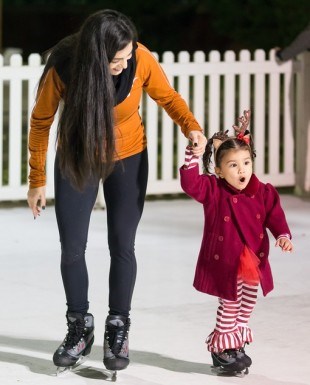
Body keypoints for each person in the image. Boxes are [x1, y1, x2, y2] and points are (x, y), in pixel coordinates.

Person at [27, 9, 207, 373]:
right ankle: (79, 326)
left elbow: (168, 98)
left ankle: (118, 327)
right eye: (116, 59)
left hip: (128, 158)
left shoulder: (139, 59)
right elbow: (41, 121)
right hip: (77, 158)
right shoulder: (65, 68)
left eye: (128, 56)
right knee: (72, 247)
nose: (124, 64)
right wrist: (37, 178)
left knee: (122, 245)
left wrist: (192, 128)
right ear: (96, 54)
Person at [180, 110, 293, 374]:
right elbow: (191, 184)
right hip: (226, 260)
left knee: (248, 302)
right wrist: (191, 158)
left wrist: (283, 236)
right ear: (219, 170)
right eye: (233, 165)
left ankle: (237, 341)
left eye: (246, 163)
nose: (242, 170)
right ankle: (222, 347)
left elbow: (274, 216)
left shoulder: (262, 192)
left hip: (253, 259)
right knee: (229, 303)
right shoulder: (214, 190)